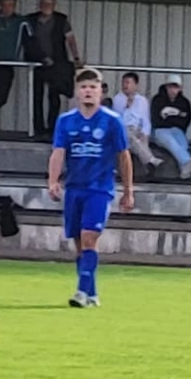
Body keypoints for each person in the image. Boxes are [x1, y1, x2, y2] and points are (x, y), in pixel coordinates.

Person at [47, 68, 133, 308]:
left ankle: (81, 292)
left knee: (89, 237)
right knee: (79, 244)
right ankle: (92, 294)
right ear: (77, 91)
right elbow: (58, 152)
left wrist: (128, 191)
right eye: (84, 87)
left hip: (99, 189)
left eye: (93, 87)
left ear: (100, 91)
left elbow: (123, 156)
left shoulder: (112, 121)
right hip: (74, 188)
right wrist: (53, 180)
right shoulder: (66, 121)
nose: (88, 91)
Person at [24, 0, 78, 139]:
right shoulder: (30, 20)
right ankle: (38, 129)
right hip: (37, 63)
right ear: (39, 5)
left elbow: (71, 40)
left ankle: (52, 128)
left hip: (56, 64)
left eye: (49, 4)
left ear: (54, 5)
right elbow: (26, 40)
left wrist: (76, 58)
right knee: (37, 96)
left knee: (54, 97)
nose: (46, 6)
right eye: (44, 4)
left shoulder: (61, 20)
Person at [0, 0, 33, 135]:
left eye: (11, 5)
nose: (8, 8)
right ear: (0, 5)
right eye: (5, 5)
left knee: (1, 97)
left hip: (7, 65)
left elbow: (30, 41)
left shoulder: (21, 22)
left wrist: (40, 57)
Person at [150, 78, 191, 178]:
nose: (173, 90)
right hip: (160, 130)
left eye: (176, 87)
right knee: (170, 141)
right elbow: (156, 120)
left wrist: (170, 121)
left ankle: (184, 170)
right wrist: (174, 120)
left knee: (183, 144)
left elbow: (185, 121)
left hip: (177, 130)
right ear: (166, 87)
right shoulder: (157, 100)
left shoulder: (184, 102)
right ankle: (188, 161)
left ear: (180, 88)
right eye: (170, 87)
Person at [110, 72, 156, 171]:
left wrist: (145, 133)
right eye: (123, 82)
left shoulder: (142, 100)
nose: (125, 85)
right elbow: (118, 120)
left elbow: (146, 119)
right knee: (129, 136)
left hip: (138, 128)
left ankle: (148, 169)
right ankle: (150, 159)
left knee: (139, 140)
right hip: (124, 127)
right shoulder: (117, 99)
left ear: (135, 85)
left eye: (128, 82)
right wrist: (127, 106)